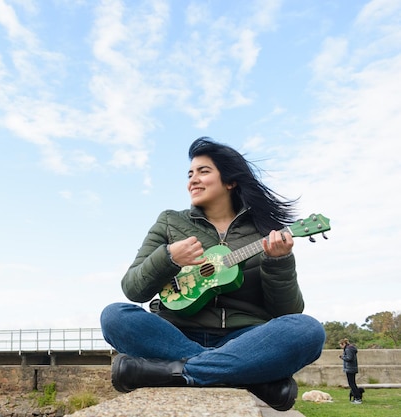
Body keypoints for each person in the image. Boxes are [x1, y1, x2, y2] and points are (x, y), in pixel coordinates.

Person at [100, 137, 326, 412]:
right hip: (175, 333)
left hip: (245, 339)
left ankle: (172, 371)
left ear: (230, 181)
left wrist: (279, 263)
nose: (192, 180)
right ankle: (251, 380)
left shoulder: (265, 231)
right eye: (190, 174)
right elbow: (133, 289)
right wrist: (169, 257)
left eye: (203, 171)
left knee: (308, 330)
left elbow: (287, 311)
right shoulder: (171, 221)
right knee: (114, 316)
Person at [339, 338, 362, 404]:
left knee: (352, 384)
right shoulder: (350, 348)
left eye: (340, 345)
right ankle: (357, 397)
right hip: (352, 368)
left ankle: (358, 398)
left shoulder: (348, 349)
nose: (340, 347)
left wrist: (342, 357)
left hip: (350, 368)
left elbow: (349, 358)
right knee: (353, 383)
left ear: (343, 344)